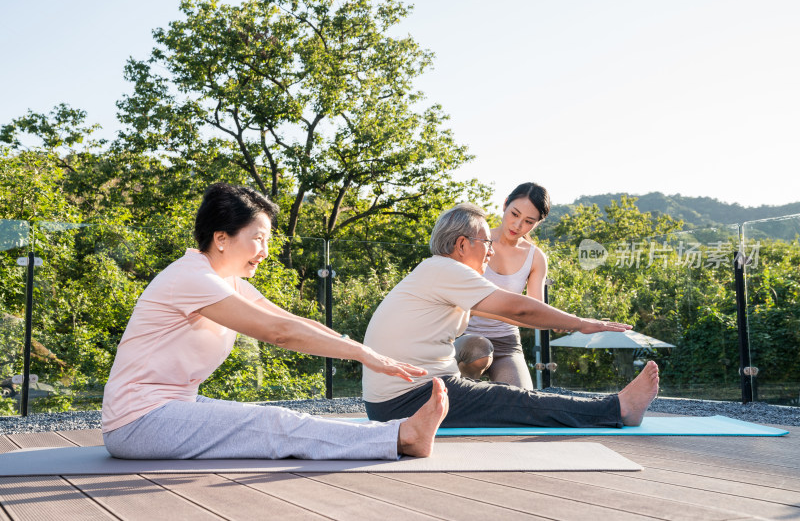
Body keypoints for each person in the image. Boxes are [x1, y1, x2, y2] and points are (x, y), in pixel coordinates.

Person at [102, 183, 448, 460]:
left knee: (274, 418)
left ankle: (401, 434)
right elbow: (278, 333)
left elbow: (292, 320)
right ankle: (403, 437)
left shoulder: (226, 282)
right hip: (139, 420)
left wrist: (365, 351)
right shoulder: (190, 278)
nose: (265, 250)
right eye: (258, 238)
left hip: (174, 405)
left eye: (267, 239)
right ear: (221, 238)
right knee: (272, 423)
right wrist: (364, 357)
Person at [362, 202, 659, 429]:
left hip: (396, 399)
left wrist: (559, 322)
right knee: (516, 401)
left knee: (510, 396)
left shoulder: (436, 271)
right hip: (408, 401)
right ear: (462, 245)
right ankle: (620, 409)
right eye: (485, 242)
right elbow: (519, 307)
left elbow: (519, 316)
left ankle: (615, 408)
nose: (490, 251)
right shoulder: (448, 270)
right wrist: (581, 324)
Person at [455, 182, 550, 389]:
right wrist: (513, 312)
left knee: (522, 401)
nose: (517, 225)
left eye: (528, 221)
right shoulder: (473, 240)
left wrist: (570, 322)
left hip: (507, 343)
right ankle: (466, 393)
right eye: (514, 214)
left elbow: (535, 313)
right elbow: (460, 303)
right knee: (477, 349)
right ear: (505, 204)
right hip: (465, 337)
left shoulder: (535, 258)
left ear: (537, 223)